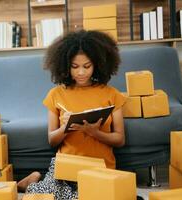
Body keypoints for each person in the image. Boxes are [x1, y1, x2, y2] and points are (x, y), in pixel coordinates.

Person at [17, 30, 126, 199]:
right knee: (58, 197)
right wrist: (66, 128)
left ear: (97, 64)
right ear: (65, 65)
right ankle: (33, 182)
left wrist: (94, 132)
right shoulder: (56, 94)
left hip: (100, 168)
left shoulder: (112, 94)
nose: (81, 72)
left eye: (87, 66)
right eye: (75, 66)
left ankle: (35, 183)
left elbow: (119, 139)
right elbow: (52, 140)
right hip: (67, 167)